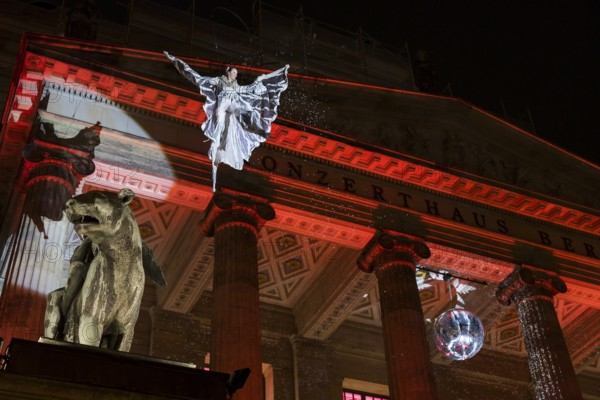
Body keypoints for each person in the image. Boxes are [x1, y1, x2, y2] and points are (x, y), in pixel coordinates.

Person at [164, 51, 289, 191]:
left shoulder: (237, 87)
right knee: (220, 122)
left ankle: (255, 127)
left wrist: (260, 81)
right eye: (233, 72)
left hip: (234, 105)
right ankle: (217, 145)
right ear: (228, 72)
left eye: (236, 73)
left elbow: (249, 88)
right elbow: (197, 78)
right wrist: (175, 60)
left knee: (248, 111)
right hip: (223, 105)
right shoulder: (219, 81)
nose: (235, 75)